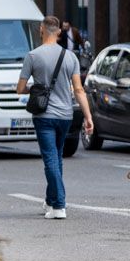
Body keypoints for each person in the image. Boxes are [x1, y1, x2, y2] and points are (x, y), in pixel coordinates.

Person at [16, 16, 94, 220]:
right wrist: (88, 117)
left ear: (41, 30)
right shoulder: (71, 57)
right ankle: (50, 201)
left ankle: (59, 205)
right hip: (66, 116)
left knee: (50, 158)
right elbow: (78, 90)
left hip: (44, 116)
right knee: (57, 158)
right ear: (59, 32)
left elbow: (20, 89)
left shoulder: (32, 56)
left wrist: (34, 87)